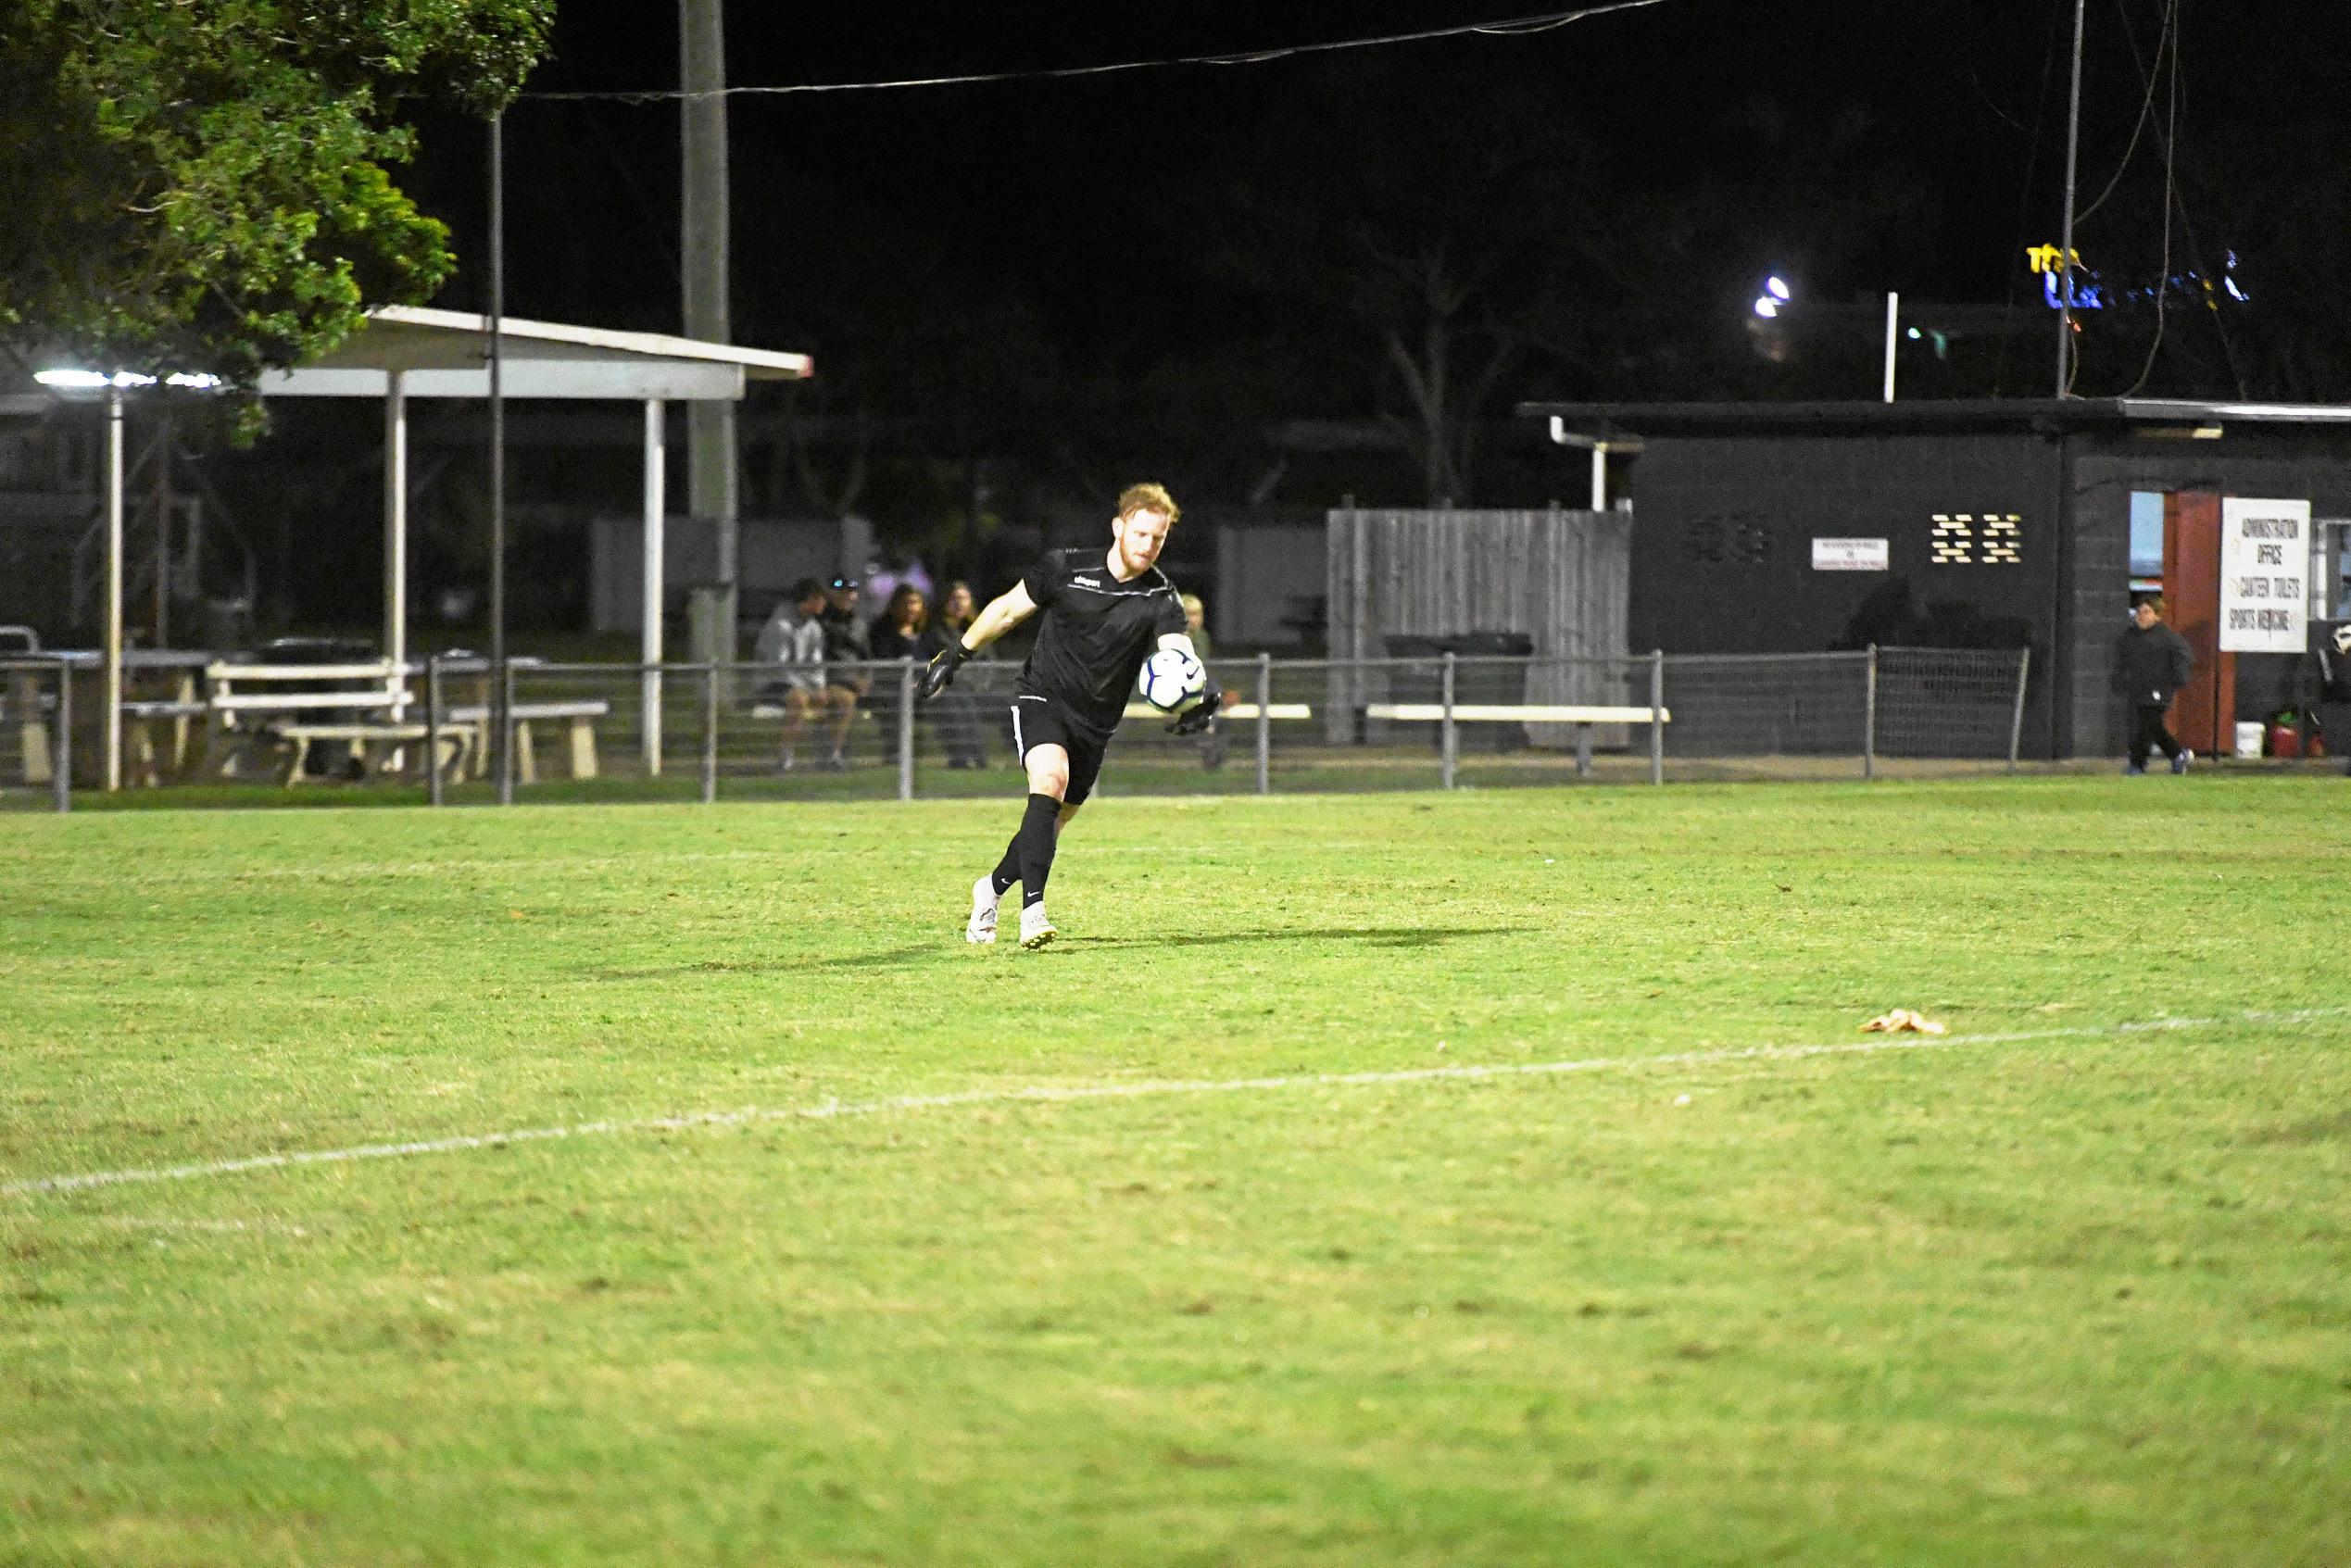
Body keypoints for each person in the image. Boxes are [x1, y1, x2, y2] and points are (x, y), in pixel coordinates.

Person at [920, 483, 1220, 949]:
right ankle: (1033, 913)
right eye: (1140, 533)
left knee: (1047, 824)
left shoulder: (1161, 597)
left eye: (1157, 539)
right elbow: (1005, 611)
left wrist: (1195, 698)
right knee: (1050, 781)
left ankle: (990, 889)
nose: (1147, 546)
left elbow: (1175, 653)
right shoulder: (1066, 567)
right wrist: (956, 655)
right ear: (1119, 527)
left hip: (1095, 724)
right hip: (1042, 698)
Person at [753, 578, 854, 772]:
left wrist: (819, 688)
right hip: (773, 683)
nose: (824, 603)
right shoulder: (780, 626)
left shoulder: (814, 628)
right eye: (819, 599)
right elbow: (777, 667)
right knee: (798, 699)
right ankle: (786, 758)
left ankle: (833, 755)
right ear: (808, 600)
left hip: (803, 684)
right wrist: (807, 689)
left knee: (845, 698)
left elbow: (816, 665)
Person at [2115, 595, 2195, 774]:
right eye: (2139, 612)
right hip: (2138, 689)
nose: (2141, 616)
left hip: (2159, 690)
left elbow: (2185, 657)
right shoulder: (2130, 637)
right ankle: (2177, 755)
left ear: (2157, 615)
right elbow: (2123, 661)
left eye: (2146, 612)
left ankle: (2137, 765)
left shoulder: (2168, 638)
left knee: (2147, 724)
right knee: (2153, 726)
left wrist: (2176, 679)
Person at [928, 581, 991, 769]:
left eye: (963, 598)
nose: (958, 603)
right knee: (958, 705)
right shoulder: (937, 630)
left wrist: (979, 685)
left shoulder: (980, 628)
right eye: (954, 598)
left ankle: (976, 759)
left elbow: (988, 664)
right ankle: (966, 759)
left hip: (977, 689)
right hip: (948, 689)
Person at [866, 583, 929, 767]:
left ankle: (969, 757)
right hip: (892, 688)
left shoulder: (925, 632)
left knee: (956, 700)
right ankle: (897, 756)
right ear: (895, 605)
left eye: (915, 602)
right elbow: (882, 663)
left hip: (924, 687)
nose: (911, 607)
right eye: (906, 603)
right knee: (897, 701)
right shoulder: (881, 631)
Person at [817, 574, 870, 766]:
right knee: (843, 700)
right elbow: (820, 657)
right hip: (829, 680)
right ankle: (833, 755)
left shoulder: (858, 623)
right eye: (841, 592)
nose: (847, 596)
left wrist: (865, 680)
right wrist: (850, 679)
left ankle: (836, 754)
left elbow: (866, 657)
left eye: (851, 593)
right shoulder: (820, 622)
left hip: (854, 681)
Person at [1179, 591, 1226, 770]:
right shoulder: (1172, 636)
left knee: (1214, 689)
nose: (1194, 619)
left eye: (1197, 614)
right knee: (1212, 689)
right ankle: (1208, 729)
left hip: (1198, 684)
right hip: (1176, 684)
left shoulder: (1203, 637)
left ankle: (1209, 732)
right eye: (1189, 614)